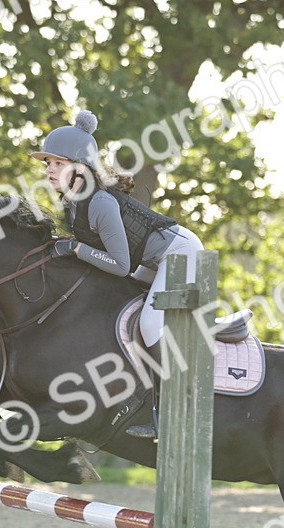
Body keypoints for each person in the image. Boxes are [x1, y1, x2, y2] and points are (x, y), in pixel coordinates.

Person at [31, 110, 204, 438]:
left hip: (180, 256)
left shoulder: (99, 203)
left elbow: (120, 266)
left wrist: (78, 250)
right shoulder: (74, 202)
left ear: (79, 167)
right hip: (152, 262)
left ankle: (165, 410)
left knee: (151, 322)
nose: (49, 169)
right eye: (47, 164)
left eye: (56, 163)